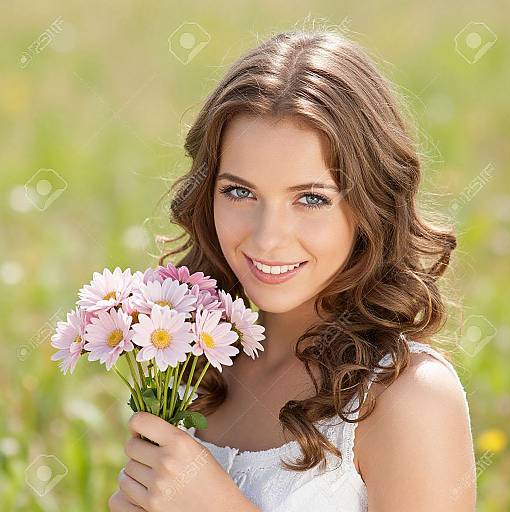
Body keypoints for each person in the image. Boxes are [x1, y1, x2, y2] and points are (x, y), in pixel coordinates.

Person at [109, 29, 476, 511]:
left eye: (311, 198)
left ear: (372, 205)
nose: (267, 237)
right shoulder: (191, 366)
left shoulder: (408, 397)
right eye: (240, 191)